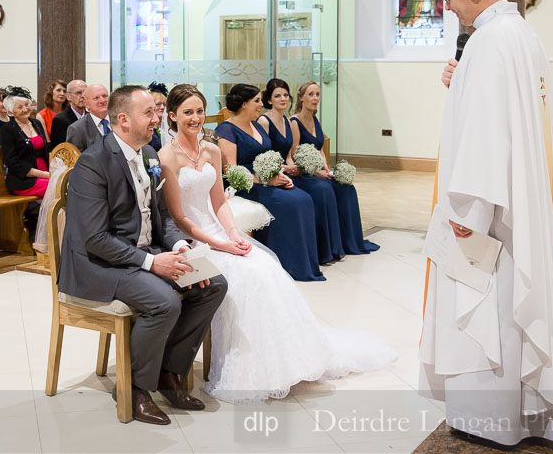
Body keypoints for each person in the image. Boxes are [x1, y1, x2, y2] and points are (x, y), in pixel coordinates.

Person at [420, 0, 553, 445]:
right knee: (514, 302)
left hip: (490, 210)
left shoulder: (492, 42)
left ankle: (490, 418)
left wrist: (470, 212)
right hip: (519, 201)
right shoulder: (518, 35)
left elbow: (487, 133)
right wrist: (460, 75)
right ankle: (527, 409)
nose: (447, 6)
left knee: (490, 310)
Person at [161, 84, 395, 403]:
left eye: (200, 111)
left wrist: (233, 235)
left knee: (266, 267)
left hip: (219, 231)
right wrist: (220, 244)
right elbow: (179, 219)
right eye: (187, 113)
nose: (196, 118)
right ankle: (252, 367)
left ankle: (288, 361)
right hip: (194, 239)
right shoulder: (166, 157)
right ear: (172, 116)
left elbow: (218, 203)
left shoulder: (211, 151)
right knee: (246, 278)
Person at [58, 85, 227, 425]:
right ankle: (135, 389)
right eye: (149, 112)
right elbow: (95, 239)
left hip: (143, 253)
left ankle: (169, 373)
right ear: (123, 120)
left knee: (212, 284)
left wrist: (179, 246)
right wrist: (152, 262)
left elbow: (162, 216)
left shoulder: (149, 154)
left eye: (157, 111)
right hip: (99, 265)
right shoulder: (93, 164)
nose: (157, 117)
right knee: (165, 301)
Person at [215, 83, 324, 282]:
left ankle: (304, 264)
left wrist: (281, 175)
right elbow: (230, 171)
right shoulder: (227, 130)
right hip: (245, 185)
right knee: (292, 203)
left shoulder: (256, 124)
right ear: (244, 104)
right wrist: (266, 180)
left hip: (267, 180)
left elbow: (267, 157)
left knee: (304, 198)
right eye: (256, 101)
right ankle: (286, 264)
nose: (260, 105)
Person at [259, 78, 344, 264]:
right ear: (269, 100)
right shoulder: (264, 121)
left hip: (289, 171)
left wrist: (293, 166)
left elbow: (289, 154)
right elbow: (263, 156)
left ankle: (330, 248)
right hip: (274, 173)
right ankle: (310, 254)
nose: (283, 99)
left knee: (333, 188)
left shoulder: (285, 121)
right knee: (318, 191)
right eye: (277, 96)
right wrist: (287, 168)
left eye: (285, 95)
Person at [291, 81, 380, 255]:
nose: (315, 98)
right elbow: (295, 154)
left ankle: (348, 241)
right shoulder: (295, 122)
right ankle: (329, 246)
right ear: (301, 98)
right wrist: (317, 172)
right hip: (304, 174)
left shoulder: (315, 119)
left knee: (346, 188)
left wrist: (328, 169)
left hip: (318, 171)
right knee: (325, 190)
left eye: (317, 94)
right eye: (311, 94)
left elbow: (320, 149)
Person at [0, 88, 50, 197]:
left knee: (68, 183)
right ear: (10, 112)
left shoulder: (36, 123)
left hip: (45, 172)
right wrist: (45, 175)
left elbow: (47, 149)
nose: (25, 109)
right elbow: (12, 163)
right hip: (24, 180)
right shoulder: (7, 129)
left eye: (27, 105)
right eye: (20, 107)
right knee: (57, 187)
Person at [65, 84, 110, 152]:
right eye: (96, 98)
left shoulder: (121, 121)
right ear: (86, 104)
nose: (102, 100)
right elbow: (77, 161)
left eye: (104, 96)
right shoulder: (77, 129)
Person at [49, 79, 86, 147]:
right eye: (78, 93)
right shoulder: (60, 120)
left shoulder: (91, 116)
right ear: (68, 96)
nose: (83, 96)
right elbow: (59, 149)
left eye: (85, 93)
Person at [146, 82, 167, 152]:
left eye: (164, 104)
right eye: (158, 104)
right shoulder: (147, 126)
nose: (162, 107)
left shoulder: (170, 125)